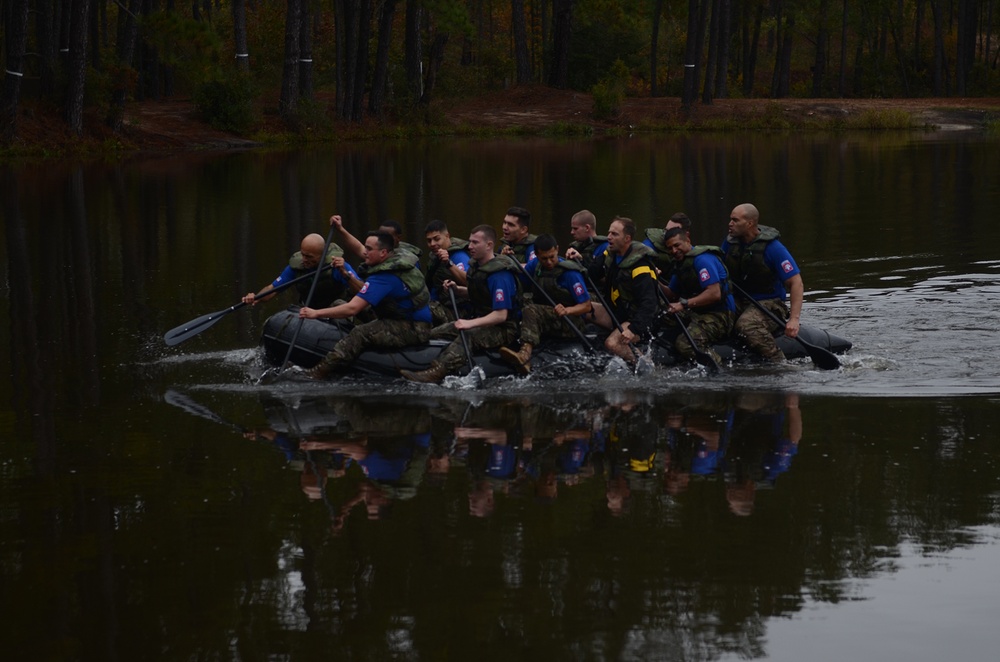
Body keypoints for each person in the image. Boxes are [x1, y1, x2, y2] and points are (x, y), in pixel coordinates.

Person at [299, 230, 433, 378]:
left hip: (413, 327)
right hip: (404, 317)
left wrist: (316, 313)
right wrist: (340, 229)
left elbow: (352, 309)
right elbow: (358, 249)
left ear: (383, 253)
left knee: (360, 333)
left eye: (369, 249)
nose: (365, 252)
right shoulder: (396, 258)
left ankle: (319, 372)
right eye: (366, 248)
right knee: (349, 304)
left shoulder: (384, 277)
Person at [401, 224, 522, 383]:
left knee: (469, 335)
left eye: (475, 243)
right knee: (435, 333)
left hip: (504, 328)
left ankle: (437, 372)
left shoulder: (500, 275)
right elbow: (477, 294)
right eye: (470, 242)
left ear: (489, 245)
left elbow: (501, 315)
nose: (470, 246)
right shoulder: (476, 266)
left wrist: (469, 323)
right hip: (482, 320)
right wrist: (457, 289)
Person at [499, 234, 592, 374]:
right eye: (544, 258)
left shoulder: (570, 273)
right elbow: (517, 282)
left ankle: (525, 355)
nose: (549, 262)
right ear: (536, 255)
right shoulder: (534, 266)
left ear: (557, 250)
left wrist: (568, 310)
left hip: (570, 321)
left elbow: (586, 306)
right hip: (548, 317)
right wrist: (504, 259)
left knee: (531, 310)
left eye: (552, 257)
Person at [722, 203, 803, 362]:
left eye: (735, 220)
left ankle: (778, 361)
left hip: (770, 304)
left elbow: (796, 282)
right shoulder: (730, 244)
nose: (730, 224)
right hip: (740, 300)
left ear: (749, 223)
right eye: (730, 220)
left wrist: (794, 319)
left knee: (746, 325)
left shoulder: (773, 248)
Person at [659, 227, 736, 366]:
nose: (674, 251)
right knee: (660, 314)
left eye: (677, 245)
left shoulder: (703, 260)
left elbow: (714, 293)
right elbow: (671, 293)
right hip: (697, 311)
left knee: (685, 344)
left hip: (720, 315)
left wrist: (683, 304)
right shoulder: (682, 263)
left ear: (687, 240)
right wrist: (653, 280)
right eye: (670, 248)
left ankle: (717, 364)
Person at [587, 217, 659, 365]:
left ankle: (645, 366)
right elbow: (592, 274)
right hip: (616, 313)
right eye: (609, 233)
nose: (609, 237)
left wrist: (633, 329)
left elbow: (649, 303)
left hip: (637, 320)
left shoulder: (640, 266)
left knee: (612, 343)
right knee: (583, 308)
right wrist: (577, 259)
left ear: (627, 238)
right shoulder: (611, 255)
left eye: (614, 234)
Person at [241, 233, 358, 308]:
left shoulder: (337, 266)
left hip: (335, 310)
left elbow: (362, 291)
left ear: (322, 255)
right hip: (309, 311)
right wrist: (256, 297)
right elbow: (272, 290)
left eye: (309, 257)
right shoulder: (296, 268)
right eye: (303, 255)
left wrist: (345, 274)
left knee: (340, 305)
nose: (304, 260)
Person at [423, 219, 471, 325]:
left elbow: (468, 281)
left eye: (436, 239)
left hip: (458, 310)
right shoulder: (434, 257)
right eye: (429, 240)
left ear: (447, 236)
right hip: (438, 304)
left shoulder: (459, 256)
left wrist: (449, 264)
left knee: (421, 312)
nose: (432, 244)